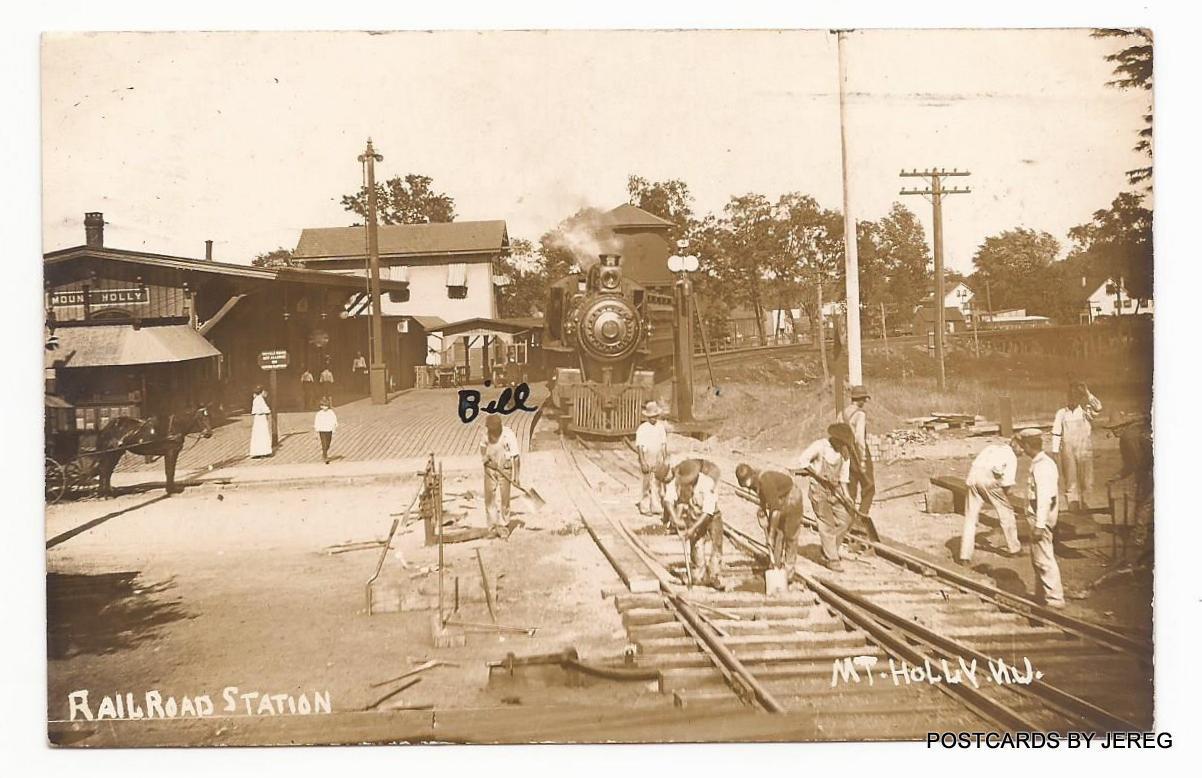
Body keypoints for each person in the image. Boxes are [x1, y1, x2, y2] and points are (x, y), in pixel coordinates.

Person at [1016, 427, 1065, 608]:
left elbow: (1044, 497)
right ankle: (1042, 596)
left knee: (1044, 560)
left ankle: (1054, 600)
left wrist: (1039, 524)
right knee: (1038, 560)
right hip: (1037, 518)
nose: (1021, 449)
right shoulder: (1040, 462)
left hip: (1040, 520)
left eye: (1022, 445)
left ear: (1028, 445)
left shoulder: (1043, 466)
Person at [797, 423, 857, 571]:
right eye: (842, 442)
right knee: (826, 523)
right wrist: (817, 475)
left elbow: (843, 477)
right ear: (835, 439)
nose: (843, 445)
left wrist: (847, 496)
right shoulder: (820, 446)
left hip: (835, 490)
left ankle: (828, 550)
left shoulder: (845, 452)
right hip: (818, 489)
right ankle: (832, 558)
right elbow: (802, 460)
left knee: (846, 518)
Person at [958, 436, 1024, 564]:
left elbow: (975, 465)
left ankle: (964, 556)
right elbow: (1006, 485)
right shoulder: (1011, 456)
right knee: (1007, 512)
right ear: (1015, 445)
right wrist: (1003, 498)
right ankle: (1014, 549)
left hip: (972, 478)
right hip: (988, 480)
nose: (1022, 452)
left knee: (970, 518)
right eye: (1021, 448)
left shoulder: (991, 448)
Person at [661, 458, 724, 587]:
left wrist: (692, 528)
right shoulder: (678, 481)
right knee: (696, 547)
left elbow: (708, 512)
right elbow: (668, 500)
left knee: (716, 547)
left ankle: (715, 576)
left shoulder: (707, 483)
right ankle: (699, 575)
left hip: (712, 517)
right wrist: (676, 519)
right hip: (694, 516)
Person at [736, 464, 805, 571]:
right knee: (778, 533)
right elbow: (765, 497)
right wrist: (762, 510)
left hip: (792, 497)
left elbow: (775, 510)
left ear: (751, 476)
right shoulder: (754, 482)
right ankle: (775, 566)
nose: (746, 486)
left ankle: (789, 569)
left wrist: (770, 536)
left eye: (746, 483)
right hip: (780, 499)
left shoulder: (765, 480)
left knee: (790, 534)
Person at [1051, 380, 1103, 511]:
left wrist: (1087, 393)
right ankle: (1073, 510)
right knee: (1071, 481)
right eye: (1070, 397)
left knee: (1086, 480)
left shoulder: (1086, 412)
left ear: (1080, 399)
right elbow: (1056, 433)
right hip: (1067, 452)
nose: (1072, 400)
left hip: (1084, 450)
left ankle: (1087, 508)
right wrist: (1055, 451)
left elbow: (1098, 408)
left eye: (1076, 397)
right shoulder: (1061, 413)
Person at [1110, 415, 1153, 549]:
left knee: (1143, 504)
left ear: (1122, 426)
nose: (1113, 431)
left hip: (1150, 471)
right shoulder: (1137, 430)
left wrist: (1118, 476)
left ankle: (1139, 539)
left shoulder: (1127, 437)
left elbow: (1134, 463)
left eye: (1116, 428)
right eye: (1112, 428)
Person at [480, 414, 521, 538]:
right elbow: (483, 447)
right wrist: (485, 458)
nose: (490, 432)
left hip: (505, 469)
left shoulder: (508, 435)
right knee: (489, 498)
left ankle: (504, 526)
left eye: (493, 430)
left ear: (498, 428)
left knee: (504, 499)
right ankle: (492, 527)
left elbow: (516, 457)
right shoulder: (486, 434)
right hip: (490, 469)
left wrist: (516, 477)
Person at [842, 385, 875, 515]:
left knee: (851, 488)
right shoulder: (860, 414)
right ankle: (862, 516)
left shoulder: (842, 414)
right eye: (864, 399)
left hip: (845, 453)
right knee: (869, 487)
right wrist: (862, 459)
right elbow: (860, 439)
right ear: (860, 399)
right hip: (857, 452)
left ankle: (849, 516)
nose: (865, 402)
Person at [634, 400, 669, 516]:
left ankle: (656, 506)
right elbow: (639, 446)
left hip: (658, 457)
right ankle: (644, 507)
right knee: (646, 483)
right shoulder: (642, 428)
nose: (654, 419)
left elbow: (664, 444)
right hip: (647, 456)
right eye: (651, 417)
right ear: (647, 417)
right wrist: (642, 461)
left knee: (657, 483)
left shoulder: (660, 428)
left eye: (656, 416)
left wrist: (665, 458)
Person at [249, 386, 273, 458]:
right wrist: (269, 411)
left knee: (258, 435)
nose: (266, 393)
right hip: (261, 418)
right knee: (262, 434)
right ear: (262, 392)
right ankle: (263, 451)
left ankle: (258, 451)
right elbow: (265, 409)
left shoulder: (256, 399)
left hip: (258, 418)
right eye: (265, 392)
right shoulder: (260, 399)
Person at [314, 396, 338, 464]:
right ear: (321, 406)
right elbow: (317, 422)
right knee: (324, 443)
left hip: (329, 429)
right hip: (322, 430)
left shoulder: (331, 413)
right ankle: (325, 456)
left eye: (326, 406)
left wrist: (334, 428)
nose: (325, 407)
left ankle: (324, 452)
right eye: (323, 406)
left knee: (328, 443)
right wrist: (316, 430)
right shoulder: (319, 414)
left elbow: (334, 420)